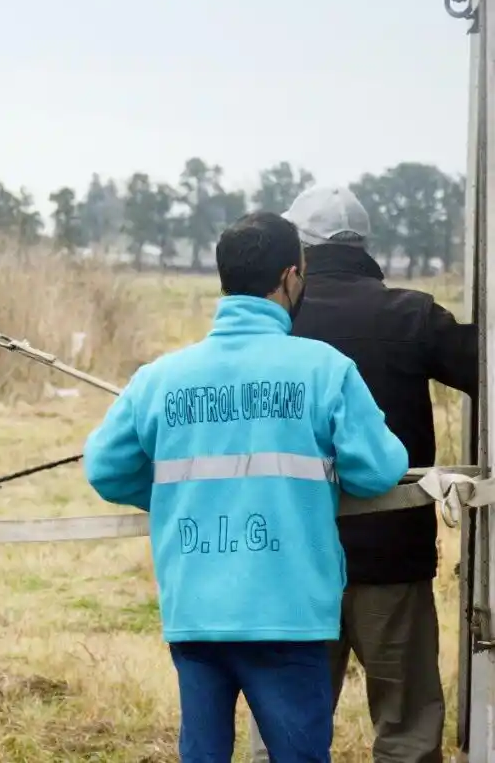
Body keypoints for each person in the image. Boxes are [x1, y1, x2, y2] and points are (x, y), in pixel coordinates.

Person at [83, 211, 408, 763]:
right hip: (289, 613)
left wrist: (179, 494)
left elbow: (105, 468)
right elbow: (379, 469)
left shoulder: (161, 377)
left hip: (194, 612)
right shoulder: (325, 370)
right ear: (289, 278)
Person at [243, 185, 479, 763]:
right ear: (365, 247)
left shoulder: (269, 326)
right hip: (392, 560)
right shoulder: (412, 313)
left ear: (299, 252)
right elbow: (487, 370)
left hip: (293, 560)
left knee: (285, 735)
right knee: (407, 731)